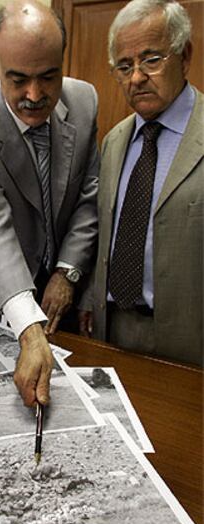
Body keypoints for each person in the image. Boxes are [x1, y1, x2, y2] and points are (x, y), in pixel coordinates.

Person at [0, 0, 99, 407]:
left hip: (60, 296)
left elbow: (87, 197)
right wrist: (28, 327)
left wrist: (67, 272)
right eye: (18, 80)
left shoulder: (84, 102)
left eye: (48, 77)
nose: (34, 94)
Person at [79, 0, 203, 367]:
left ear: (184, 56)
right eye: (124, 65)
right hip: (113, 331)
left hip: (190, 343)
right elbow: (106, 234)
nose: (136, 78)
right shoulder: (114, 141)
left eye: (151, 60)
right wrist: (90, 296)